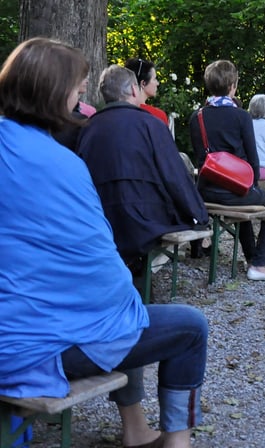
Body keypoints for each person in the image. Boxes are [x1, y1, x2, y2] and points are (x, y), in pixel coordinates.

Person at [0, 37, 207, 448]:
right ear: (56, 94)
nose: (80, 101)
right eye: (77, 91)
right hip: (28, 350)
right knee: (174, 323)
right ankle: (176, 442)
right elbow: (104, 279)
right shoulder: (63, 163)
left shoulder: (61, 142)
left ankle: (135, 427)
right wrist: (197, 216)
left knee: (120, 309)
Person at [77, 65, 209, 270]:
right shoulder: (151, 124)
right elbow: (174, 176)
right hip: (145, 218)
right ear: (132, 89)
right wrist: (199, 213)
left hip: (98, 216)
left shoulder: (87, 127)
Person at [189, 59, 265, 282]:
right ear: (233, 85)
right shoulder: (241, 116)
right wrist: (252, 187)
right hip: (234, 190)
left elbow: (200, 158)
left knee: (246, 209)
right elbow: (253, 161)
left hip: (204, 190)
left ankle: (252, 258)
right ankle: (259, 265)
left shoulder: (198, 116)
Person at [125, 57, 169, 127]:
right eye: (154, 79)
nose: (157, 83)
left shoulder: (118, 112)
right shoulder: (157, 116)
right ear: (143, 83)